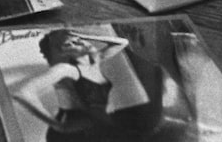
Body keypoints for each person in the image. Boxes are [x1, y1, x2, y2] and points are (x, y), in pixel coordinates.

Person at [14, 28, 161, 141]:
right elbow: (21, 92)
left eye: (78, 39)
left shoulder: (99, 60)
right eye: (69, 43)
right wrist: (56, 124)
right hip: (74, 134)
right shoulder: (67, 69)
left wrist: (83, 36)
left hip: (98, 126)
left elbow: (122, 42)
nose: (78, 42)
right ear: (65, 52)